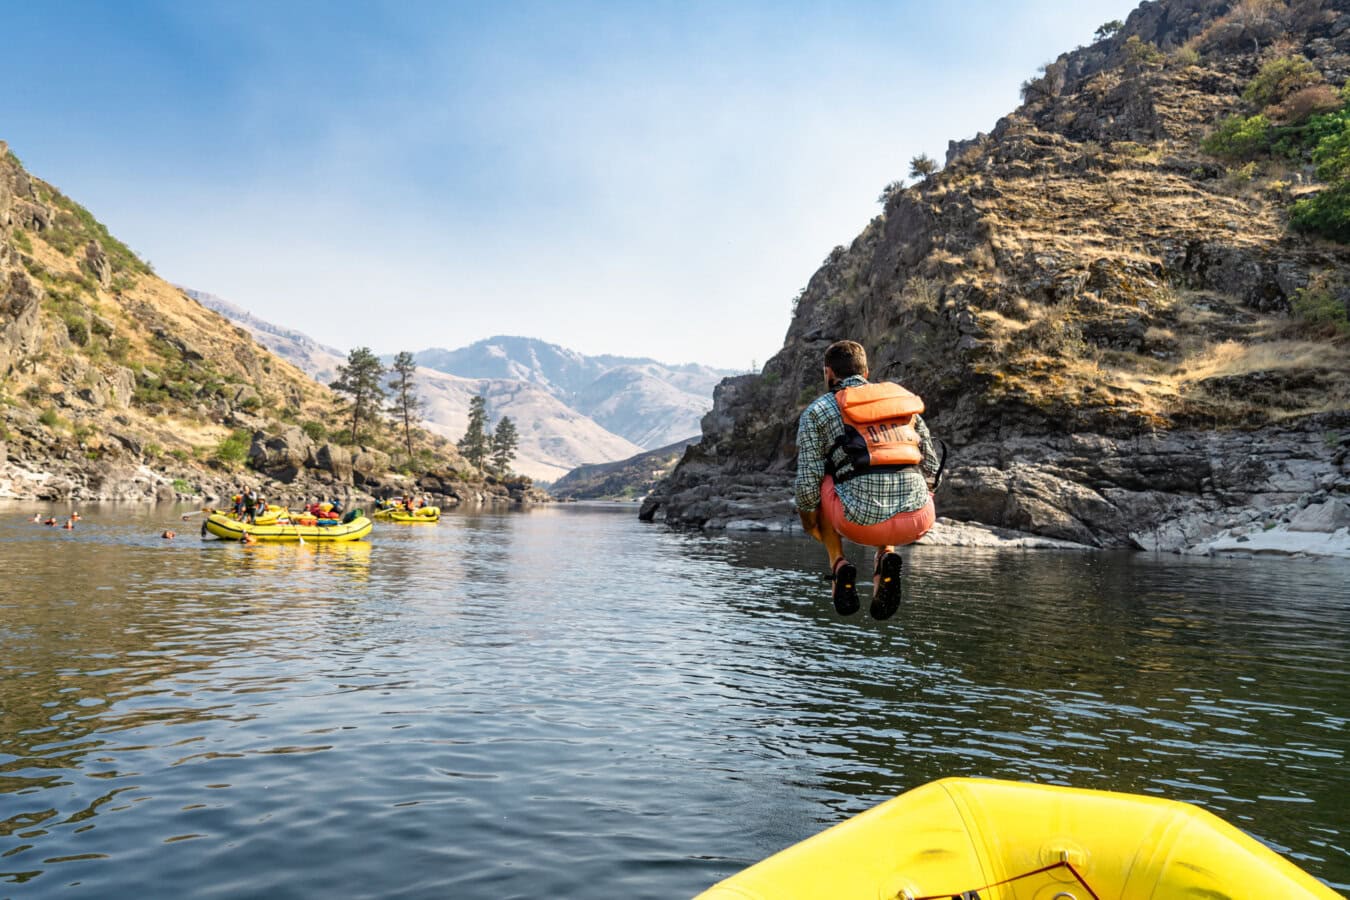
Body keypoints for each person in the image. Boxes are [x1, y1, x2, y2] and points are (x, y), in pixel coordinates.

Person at [795, 340, 940, 620]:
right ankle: (885, 555)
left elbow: (806, 487)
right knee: (892, 467)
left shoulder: (818, 411)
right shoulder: (901, 402)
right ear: (867, 372)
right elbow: (931, 466)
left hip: (858, 523)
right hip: (919, 518)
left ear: (828, 373)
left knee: (823, 475)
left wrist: (809, 523)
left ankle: (838, 565)